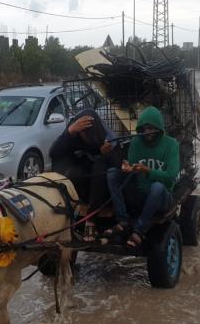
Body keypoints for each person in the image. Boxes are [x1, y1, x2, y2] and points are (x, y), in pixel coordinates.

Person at [106, 106, 179, 247]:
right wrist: (128, 168)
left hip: (163, 197)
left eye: (152, 128)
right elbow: (133, 168)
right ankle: (123, 220)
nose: (148, 132)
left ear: (159, 128)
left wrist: (148, 170)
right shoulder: (136, 142)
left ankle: (139, 230)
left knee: (156, 187)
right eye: (145, 129)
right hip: (140, 194)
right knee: (112, 173)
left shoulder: (171, 145)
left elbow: (171, 177)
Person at [49, 109, 121, 241]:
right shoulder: (74, 134)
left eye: (86, 133)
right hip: (79, 184)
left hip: (101, 191)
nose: (84, 136)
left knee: (100, 164)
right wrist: (70, 132)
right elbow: (54, 153)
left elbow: (117, 165)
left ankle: (91, 219)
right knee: (68, 167)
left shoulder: (107, 138)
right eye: (81, 132)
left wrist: (106, 154)